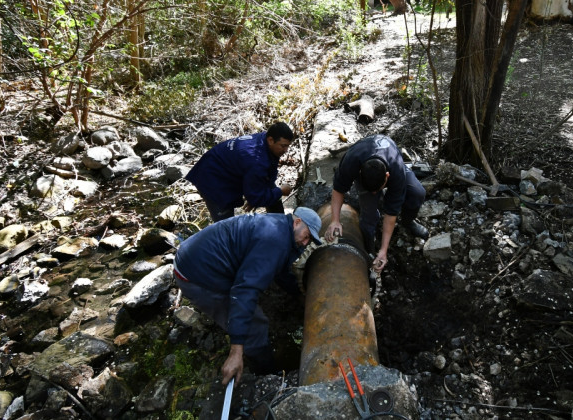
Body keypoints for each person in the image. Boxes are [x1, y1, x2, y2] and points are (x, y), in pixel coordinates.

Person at [173, 207, 321, 386]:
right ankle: (267, 375)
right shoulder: (274, 239)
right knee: (255, 324)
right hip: (196, 275)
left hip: (197, 256)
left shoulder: (282, 228)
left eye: (310, 240)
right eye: (306, 236)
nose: (306, 243)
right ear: (297, 222)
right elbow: (243, 291)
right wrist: (236, 349)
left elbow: (280, 269)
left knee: (252, 299)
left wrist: (298, 295)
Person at [324, 134, 428, 273]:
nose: (374, 194)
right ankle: (369, 250)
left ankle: (408, 222)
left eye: (377, 191)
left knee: (417, 193)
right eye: (371, 190)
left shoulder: (396, 171)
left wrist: (384, 250)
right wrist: (335, 220)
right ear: (359, 173)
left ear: (387, 177)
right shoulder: (351, 161)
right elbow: (338, 190)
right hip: (365, 160)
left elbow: (391, 214)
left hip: (391, 163)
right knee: (369, 217)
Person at [185, 122, 295, 221]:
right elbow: (256, 195)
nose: (286, 150)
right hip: (211, 178)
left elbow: (268, 173)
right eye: (283, 146)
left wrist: (260, 194)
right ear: (271, 140)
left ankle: (281, 225)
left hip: (225, 166)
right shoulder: (256, 160)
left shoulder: (265, 141)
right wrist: (280, 191)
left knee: (271, 193)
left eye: (288, 146)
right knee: (226, 226)